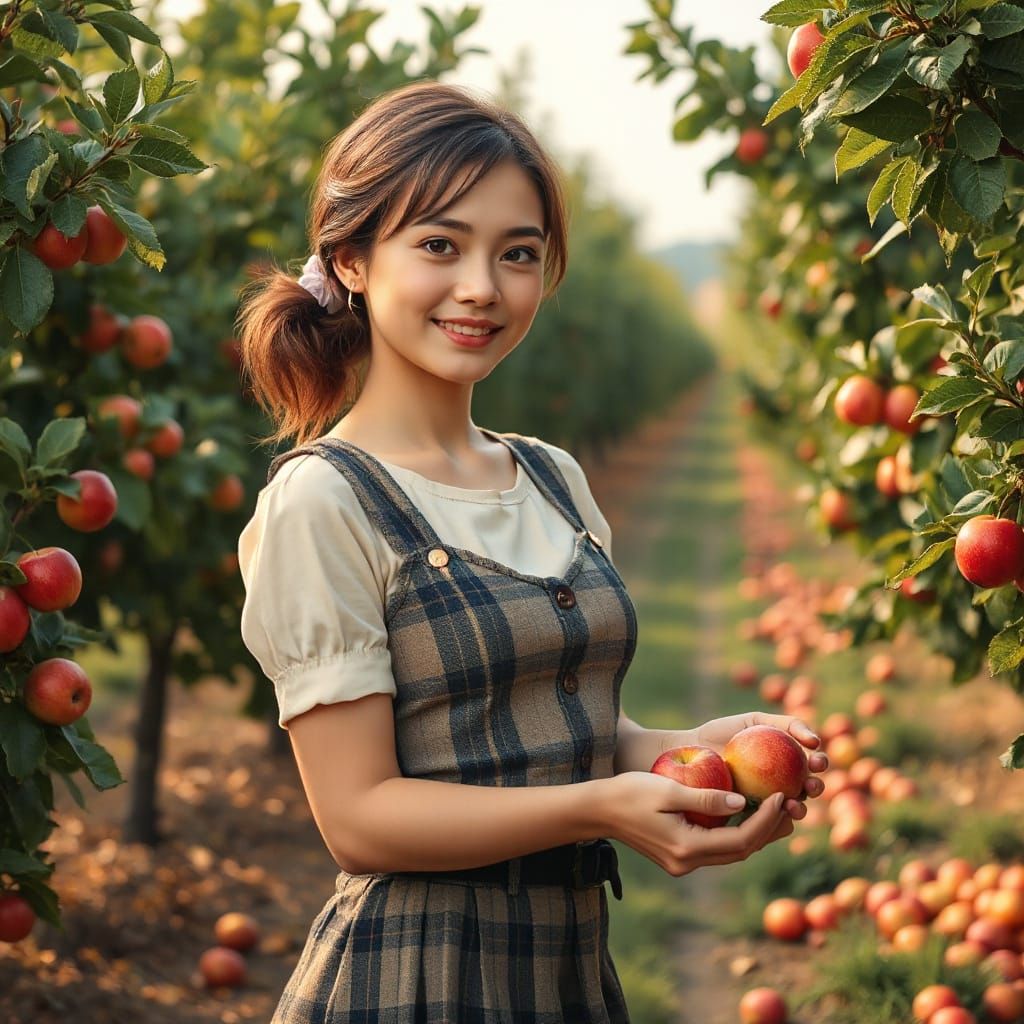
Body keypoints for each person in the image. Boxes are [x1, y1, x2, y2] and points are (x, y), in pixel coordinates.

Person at [235, 80, 827, 1024]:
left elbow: (555, 742)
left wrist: (686, 751)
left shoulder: (551, 477)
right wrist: (601, 811)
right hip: (419, 977)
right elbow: (357, 818)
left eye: (518, 254)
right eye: (440, 245)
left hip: (563, 976)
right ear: (350, 258)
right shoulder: (325, 501)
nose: (482, 287)